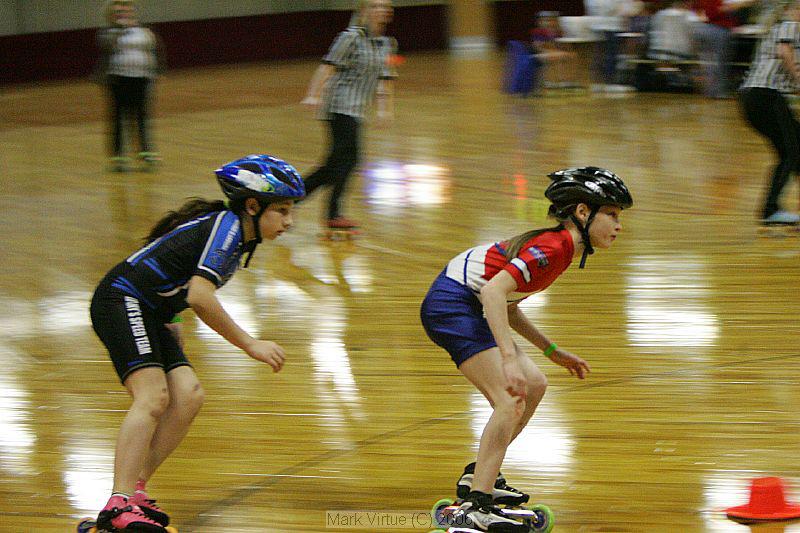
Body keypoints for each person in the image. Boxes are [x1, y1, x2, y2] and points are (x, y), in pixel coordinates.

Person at [88, 154, 304, 531]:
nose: (289, 221)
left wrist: (170, 321)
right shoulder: (229, 230)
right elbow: (200, 297)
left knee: (188, 394)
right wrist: (250, 343)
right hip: (121, 300)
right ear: (252, 206)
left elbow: (172, 270)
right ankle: (117, 504)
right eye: (282, 210)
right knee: (153, 397)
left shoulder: (235, 233)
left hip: (150, 309)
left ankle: (136, 489)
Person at [420, 167, 633, 531]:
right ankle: (476, 506)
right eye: (611, 214)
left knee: (534, 385)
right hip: (452, 304)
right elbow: (492, 293)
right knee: (509, 398)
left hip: (466, 303)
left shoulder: (563, 249)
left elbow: (508, 304)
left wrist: (551, 351)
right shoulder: (552, 248)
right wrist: (507, 357)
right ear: (583, 213)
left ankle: (478, 478)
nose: (618, 225)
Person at [301, 0, 397, 234]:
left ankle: (293, 199)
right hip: (338, 106)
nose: (381, 10)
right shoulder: (350, 37)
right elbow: (327, 67)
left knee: (339, 162)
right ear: (364, 11)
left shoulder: (385, 44)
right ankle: (330, 212)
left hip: (357, 110)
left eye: (385, 6)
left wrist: (385, 109)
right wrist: (313, 95)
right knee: (345, 160)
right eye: (375, 6)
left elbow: (384, 80)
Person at [740, 1, 800, 226]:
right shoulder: (789, 25)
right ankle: (770, 210)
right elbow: (784, 52)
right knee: (790, 152)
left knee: (795, 147)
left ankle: (773, 208)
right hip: (766, 96)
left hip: (756, 98)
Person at [95, 0, 165, 172]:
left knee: (141, 117)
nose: (124, 13)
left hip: (141, 79)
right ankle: (117, 158)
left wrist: (155, 70)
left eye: (126, 10)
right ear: (112, 15)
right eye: (119, 11)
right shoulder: (108, 33)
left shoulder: (143, 31)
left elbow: (153, 49)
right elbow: (107, 47)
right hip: (118, 80)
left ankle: (145, 153)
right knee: (119, 118)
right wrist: (121, 29)